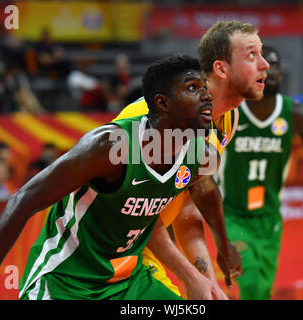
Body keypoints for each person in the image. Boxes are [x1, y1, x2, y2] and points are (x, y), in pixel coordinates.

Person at [0, 55, 230, 300]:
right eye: (193, 88)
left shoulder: (202, 153)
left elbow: (205, 191)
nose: (207, 96)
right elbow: (22, 201)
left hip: (127, 282)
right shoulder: (110, 146)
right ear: (163, 103)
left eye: (206, 88)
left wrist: (224, 246)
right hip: (66, 279)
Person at [113, 19, 269, 299]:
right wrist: (190, 276)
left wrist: (206, 281)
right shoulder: (166, 121)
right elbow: (137, 210)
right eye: (251, 55)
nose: (265, 64)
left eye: (262, 53)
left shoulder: (226, 120)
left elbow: (185, 210)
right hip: (104, 253)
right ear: (221, 69)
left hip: (137, 248)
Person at [214, 45, 303, 299]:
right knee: (253, 282)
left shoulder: (297, 115)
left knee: (263, 291)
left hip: (270, 220)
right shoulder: (229, 112)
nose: (273, 70)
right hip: (233, 216)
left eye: (276, 65)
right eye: (264, 65)